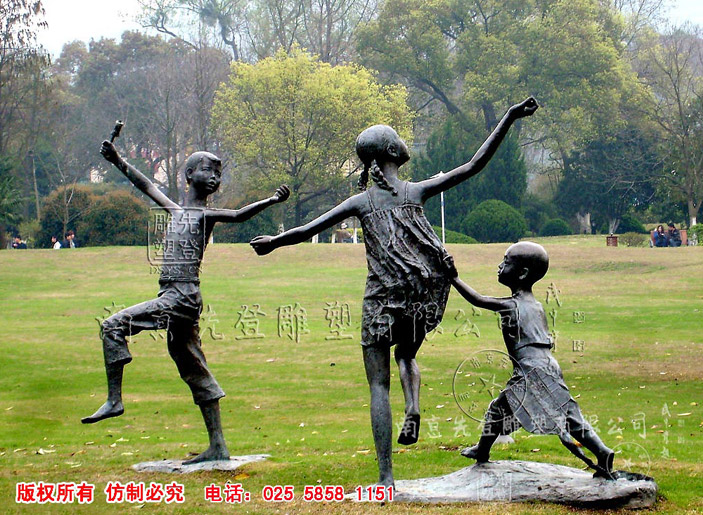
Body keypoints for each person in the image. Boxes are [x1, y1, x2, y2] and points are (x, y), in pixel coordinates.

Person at [251, 97, 538, 486]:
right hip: (420, 293)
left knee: (377, 385)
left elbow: (307, 230)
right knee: (406, 354)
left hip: (381, 300)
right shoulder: (415, 191)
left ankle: (386, 475)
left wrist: (273, 242)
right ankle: (413, 406)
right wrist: (509, 116)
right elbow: (474, 165)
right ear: (391, 151)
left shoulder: (360, 202)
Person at [82, 139, 290, 465]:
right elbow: (146, 184)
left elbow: (238, 214)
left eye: (219, 174)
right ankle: (218, 445)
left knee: (113, 325)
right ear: (189, 174)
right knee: (193, 366)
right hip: (175, 296)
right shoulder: (176, 211)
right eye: (208, 170)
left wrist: (271, 200)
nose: (215, 178)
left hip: (181, 297)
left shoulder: (205, 216)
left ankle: (114, 400)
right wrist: (117, 160)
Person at [447, 242, 615, 479]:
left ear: (522, 273)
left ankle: (482, 451)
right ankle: (603, 451)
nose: (499, 266)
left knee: (498, 409)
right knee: (568, 414)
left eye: (506, 262)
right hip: (548, 365)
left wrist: (454, 278)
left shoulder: (511, 305)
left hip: (530, 369)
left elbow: (478, 300)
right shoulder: (536, 306)